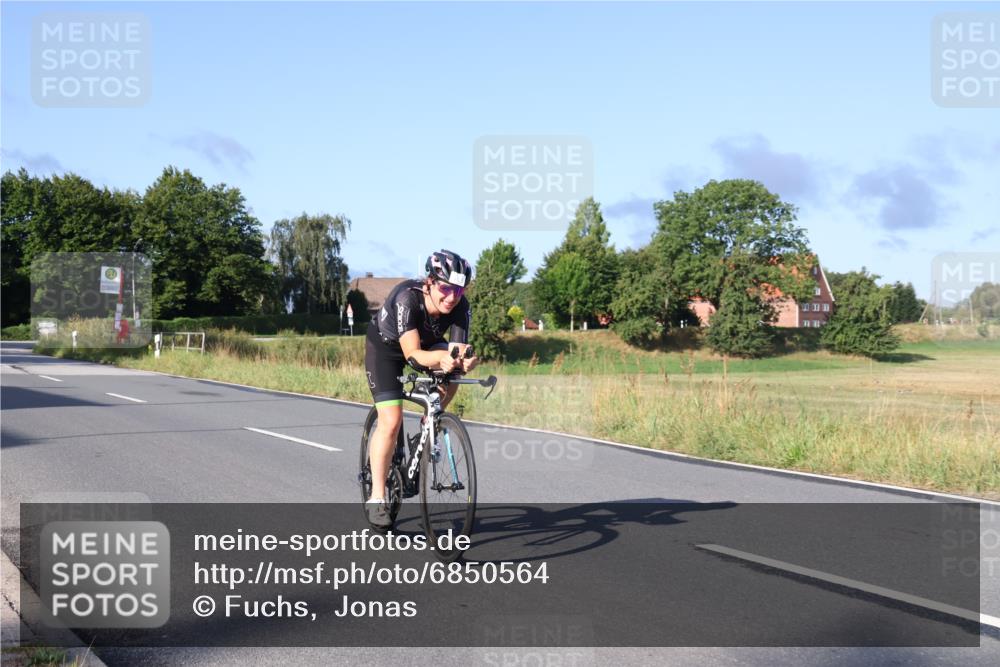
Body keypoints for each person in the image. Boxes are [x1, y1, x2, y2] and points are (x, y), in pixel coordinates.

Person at [363, 249, 479, 528]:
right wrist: (442, 357)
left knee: (453, 369)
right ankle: (377, 497)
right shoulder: (407, 298)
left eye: (459, 291)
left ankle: (431, 421)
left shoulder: (461, 307)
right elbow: (413, 355)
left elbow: (454, 349)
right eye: (446, 288)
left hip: (427, 344)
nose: (452, 297)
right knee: (391, 421)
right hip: (387, 349)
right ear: (429, 282)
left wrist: (462, 360)